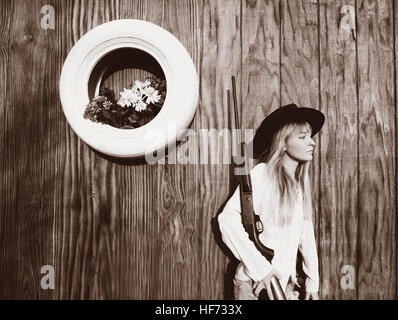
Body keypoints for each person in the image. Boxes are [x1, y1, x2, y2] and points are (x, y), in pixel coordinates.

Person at [218, 104, 325, 300]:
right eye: (302, 137)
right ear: (283, 143)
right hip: (255, 285)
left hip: (285, 285)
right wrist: (262, 270)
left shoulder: (297, 186)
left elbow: (305, 235)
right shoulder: (262, 175)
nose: (312, 143)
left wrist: (313, 282)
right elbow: (226, 221)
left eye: (310, 136)